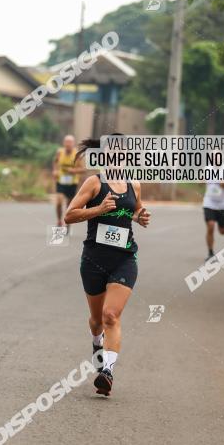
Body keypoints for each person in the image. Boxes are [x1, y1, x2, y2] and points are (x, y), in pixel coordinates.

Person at [64, 136, 151, 397]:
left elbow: (135, 211)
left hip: (124, 258)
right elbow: (69, 214)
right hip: (93, 258)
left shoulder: (134, 184)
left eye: (122, 152)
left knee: (111, 316)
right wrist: (99, 209)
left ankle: (107, 372)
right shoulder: (94, 182)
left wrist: (140, 217)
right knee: (96, 320)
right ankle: (96, 343)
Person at [52, 135, 83, 226]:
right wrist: (55, 170)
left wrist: (74, 171)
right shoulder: (60, 152)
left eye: (70, 142)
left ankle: (68, 221)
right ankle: (59, 220)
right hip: (61, 180)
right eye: (66, 142)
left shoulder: (77, 154)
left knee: (69, 204)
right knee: (58, 201)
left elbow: (83, 169)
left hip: (72, 182)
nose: (68, 144)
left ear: (73, 144)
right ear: (64, 143)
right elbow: (55, 161)